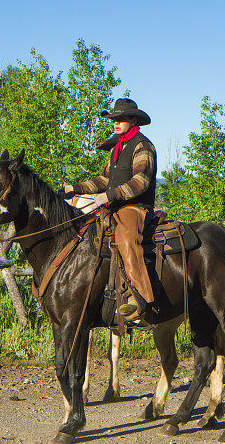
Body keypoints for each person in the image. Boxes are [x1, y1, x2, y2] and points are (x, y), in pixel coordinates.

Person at [63, 98, 157, 323]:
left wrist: (108, 196)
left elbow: (141, 182)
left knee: (125, 238)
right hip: (112, 206)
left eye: (121, 119)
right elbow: (104, 179)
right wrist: (72, 188)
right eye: (114, 119)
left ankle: (140, 299)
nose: (116, 123)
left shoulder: (143, 146)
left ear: (133, 120)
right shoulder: (117, 147)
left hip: (134, 207)